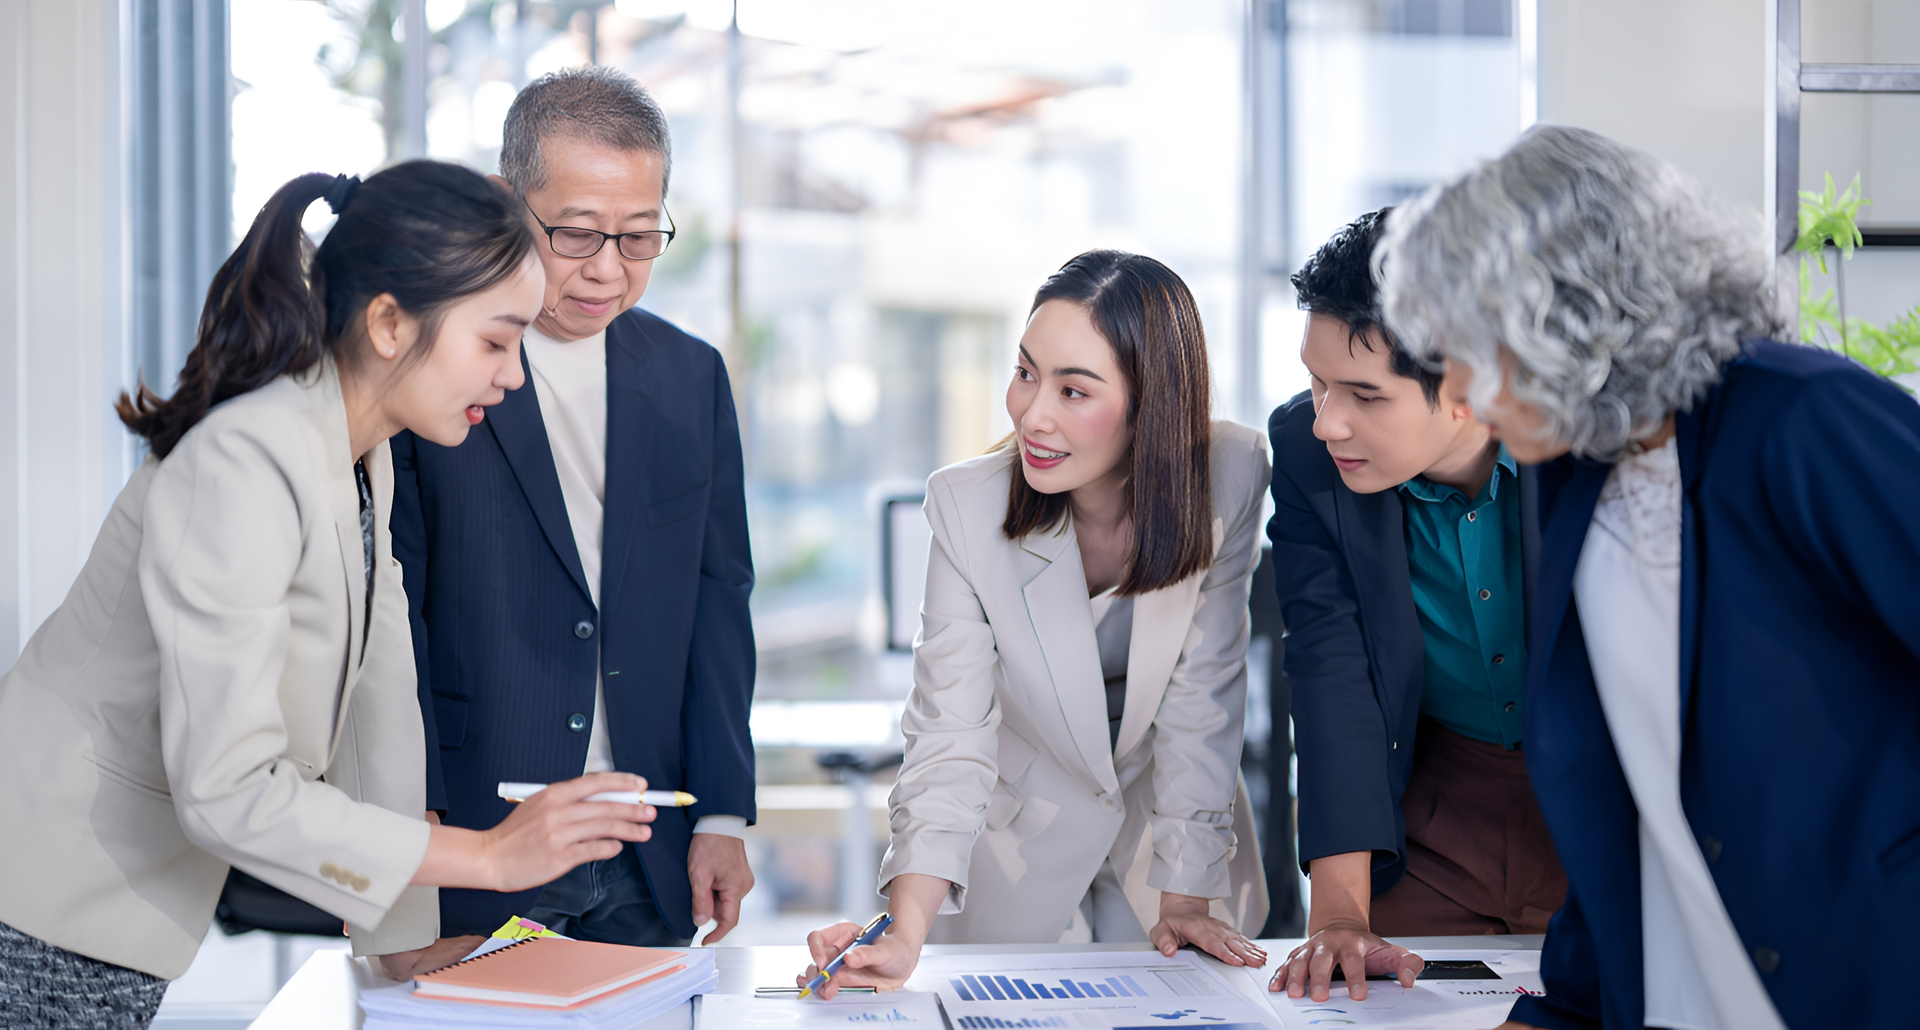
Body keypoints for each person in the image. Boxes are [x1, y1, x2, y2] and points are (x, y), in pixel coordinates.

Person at [0, 162, 660, 1027]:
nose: (511, 378)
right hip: (37, 897)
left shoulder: (360, 454)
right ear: (390, 323)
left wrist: (398, 939)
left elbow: (379, 706)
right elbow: (226, 788)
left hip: (105, 906)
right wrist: (489, 858)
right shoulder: (244, 458)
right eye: (496, 341)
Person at [1377, 124, 1920, 1029]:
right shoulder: (1570, 467)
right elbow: (1622, 789)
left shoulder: (1804, 418)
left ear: (1570, 317)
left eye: (1474, 350)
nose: (1462, 395)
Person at [800, 250, 1273, 999]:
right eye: (1026, 373)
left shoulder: (1231, 474)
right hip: (1013, 858)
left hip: (1173, 857)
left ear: (1153, 405)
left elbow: (1202, 698)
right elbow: (948, 735)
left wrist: (1187, 893)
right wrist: (905, 924)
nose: (1031, 413)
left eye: (1073, 389)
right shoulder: (967, 506)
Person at [388, 66, 755, 965]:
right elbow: (398, 613)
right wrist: (413, 822)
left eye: (639, 237)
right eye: (579, 233)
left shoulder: (689, 375)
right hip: (478, 828)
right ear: (511, 202)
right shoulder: (432, 368)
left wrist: (723, 812)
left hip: (647, 837)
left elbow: (717, 601)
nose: (607, 270)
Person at [1265, 210, 1564, 1003]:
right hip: (1429, 817)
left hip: (1590, 800)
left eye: (1364, 394)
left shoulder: (1587, 444)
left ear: (1472, 387)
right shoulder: (1307, 456)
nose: (1328, 420)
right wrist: (1336, 914)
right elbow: (1331, 669)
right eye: (1317, 382)